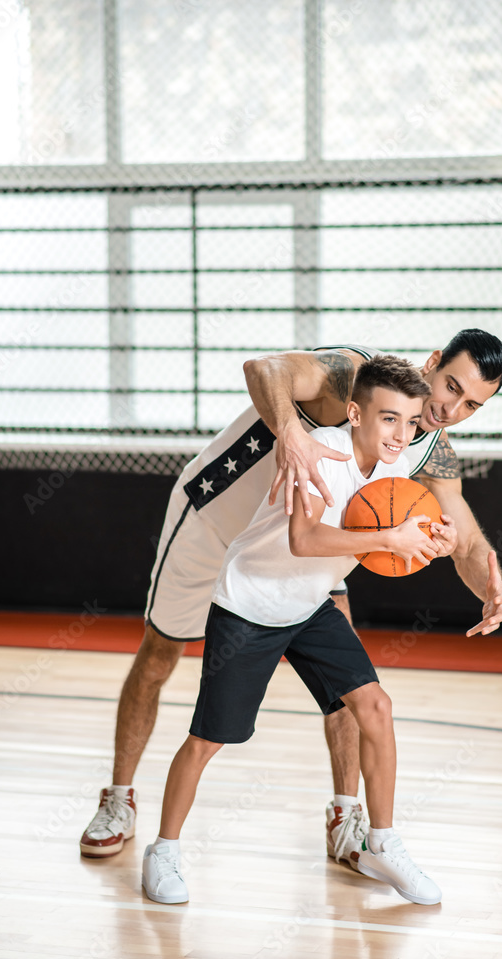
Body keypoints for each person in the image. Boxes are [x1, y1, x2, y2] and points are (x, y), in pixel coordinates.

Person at [80, 330, 502, 869]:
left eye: (472, 404)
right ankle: (119, 798)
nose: (452, 407)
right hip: (213, 519)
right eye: (451, 386)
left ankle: (345, 816)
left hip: (303, 548)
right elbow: (263, 367)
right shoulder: (352, 375)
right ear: (432, 363)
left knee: (352, 688)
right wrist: (290, 430)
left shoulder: (432, 450)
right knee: (160, 654)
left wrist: (490, 587)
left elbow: (465, 540)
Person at [141, 355, 457, 905]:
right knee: (208, 740)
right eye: (388, 419)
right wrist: (390, 540)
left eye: (409, 423)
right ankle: (163, 850)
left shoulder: (394, 472)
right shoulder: (322, 455)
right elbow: (304, 539)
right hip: (250, 606)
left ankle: (381, 841)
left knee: (375, 707)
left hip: (309, 607)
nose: (400, 435)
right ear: (355, 414)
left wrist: (435, 541)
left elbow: (403, 532)